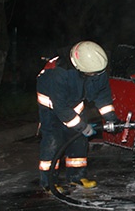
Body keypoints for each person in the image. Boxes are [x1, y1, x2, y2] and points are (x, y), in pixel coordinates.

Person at [36, 41, 118, 192]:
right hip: (51, 109)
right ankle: (48, 182)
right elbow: (60, 108)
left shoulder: (96, 68)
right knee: (53, 142)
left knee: (79, 141)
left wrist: (110, 117)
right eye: (93, 74)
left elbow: (103, 96)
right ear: (79, 67)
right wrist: (81, 126)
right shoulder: (59, 73)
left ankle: (76, 177)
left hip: (74, 104)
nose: (97, 76)